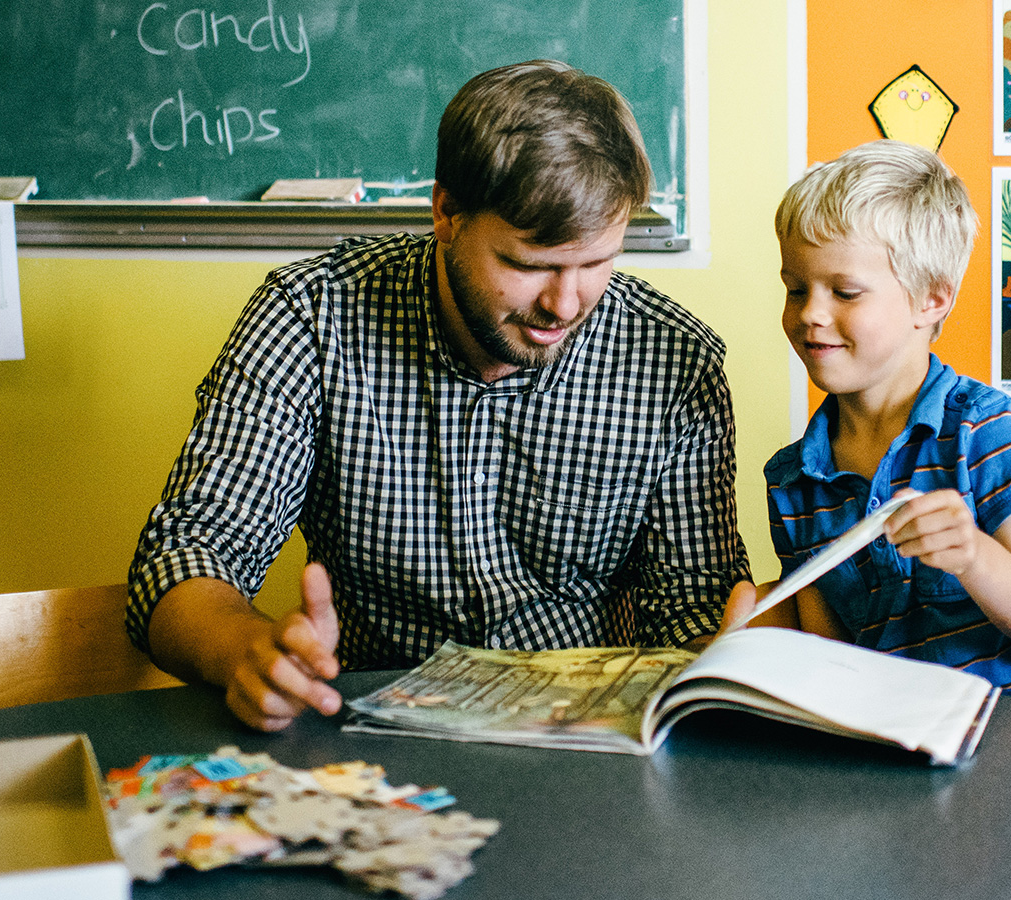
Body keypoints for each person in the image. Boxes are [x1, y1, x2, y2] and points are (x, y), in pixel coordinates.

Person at [127, 60, 749, 731]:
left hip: (589, 752)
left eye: (597, 262)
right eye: (528, 264)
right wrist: (245, 651)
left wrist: (721, 653)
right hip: (371, 740)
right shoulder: (310, 317)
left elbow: (693, 611)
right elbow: (188, 554)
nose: (565, 304)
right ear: (446, 212)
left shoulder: (674, 358)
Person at [720, 140, 1011, 709]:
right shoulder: (793, 477)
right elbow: (831, 650)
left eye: (844, 292)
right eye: (796, 287)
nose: (809, 313)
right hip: (896, 741)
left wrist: (973, 553)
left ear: (931, 300)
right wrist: (750, 635)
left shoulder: (982, 430)